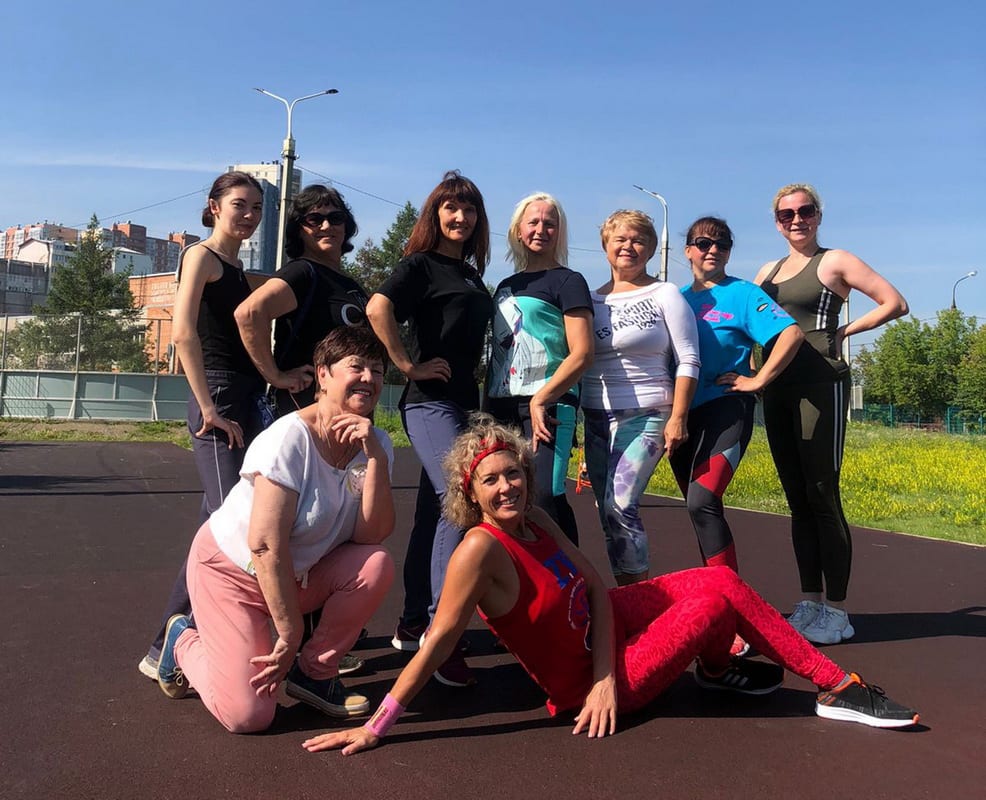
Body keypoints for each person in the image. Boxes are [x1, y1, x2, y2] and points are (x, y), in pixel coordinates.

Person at [301, 416, 919, 756]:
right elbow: (436, 643)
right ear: (471, 493)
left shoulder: (536, 520)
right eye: (491, 481)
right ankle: (838, 688)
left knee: (716, 578)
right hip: (589, 684)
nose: (508, 487)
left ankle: (724, 670)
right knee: (710, 604)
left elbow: (596, 587)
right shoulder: (480, 550)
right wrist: (377, 725)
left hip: (608, 633)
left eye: (514, 473)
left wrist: (604, 660)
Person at [155, 326, 396, 733]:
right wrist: (290, 630)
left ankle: (314, 673)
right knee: (248, 715)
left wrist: (376, 459)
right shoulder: (290, 439)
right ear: (323, 375)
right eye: (356, 367)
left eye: (377, 370)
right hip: (232, 573)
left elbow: (372, 536)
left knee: (376, 564)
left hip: (294, 574)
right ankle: (182, 641)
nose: (368, 378)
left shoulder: (376, 442)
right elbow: (264, 545)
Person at [753, 184, 908, 644]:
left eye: (805, 211)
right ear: (777, 222)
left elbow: (895, 302)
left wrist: (844, 331)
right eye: (786, 214)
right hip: (777, 387)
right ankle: (810, 602)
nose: (796, 220)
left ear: (818, 215)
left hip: (820, 383)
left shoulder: (835, 260)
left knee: (822, 492)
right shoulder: (767, 271)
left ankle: (837, 610)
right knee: (797, 498)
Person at [366, 170, 493, 687]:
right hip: (430, 403)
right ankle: (443, 634)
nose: (460, 217)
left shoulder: (471, 275)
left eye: (469, 209)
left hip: (465, 403)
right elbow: (377, 307)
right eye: (450, 208)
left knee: (432, 513)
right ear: (435, 214)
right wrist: (407, 366)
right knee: (460, 503)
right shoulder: (418, 265)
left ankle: (413, 621)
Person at [138, 171, 266, 680]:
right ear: (214, 206)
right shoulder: (201, 256)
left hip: (245, 394)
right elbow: (183, 333)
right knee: (233, 521)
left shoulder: (238, 269)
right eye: (240, 204)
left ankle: (165, 645)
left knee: (214, 524)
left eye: (257, 207)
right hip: (218, 394)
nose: (249, 215)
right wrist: (207, 406)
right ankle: (173, 644)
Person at [581, 210, 700, 585]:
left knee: (620, 505)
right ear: (605, 245)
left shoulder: (664, 293)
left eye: (638, 240)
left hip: (647, 413)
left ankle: (641, 597)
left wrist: (678, 416)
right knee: (606, 513)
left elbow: (688, 357)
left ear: (650, 249)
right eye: (620, 239)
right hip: (597, 417)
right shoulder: (590, 300)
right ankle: (625, 596)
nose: (628, 247)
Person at [486, 192, 593, 545]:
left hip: (549, 405)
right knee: (505, 500)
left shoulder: (568, 281)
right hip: (503, 404)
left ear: (559, 232)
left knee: (544, 495)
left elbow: (582, 353)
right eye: (533, 222)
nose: (541, 229)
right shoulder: (505, 287)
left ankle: (574, 574)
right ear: (518, 230)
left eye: (550, 223)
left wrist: (542, 399)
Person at [235, 184, 368, 417]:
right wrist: (275, 376)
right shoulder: (302, 273)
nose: (326, 226)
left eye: (335, 218)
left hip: (348, 409)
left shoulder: (349, 284)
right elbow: (248, 313)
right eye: (314, 220)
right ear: (298, 229)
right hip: (306, 407)